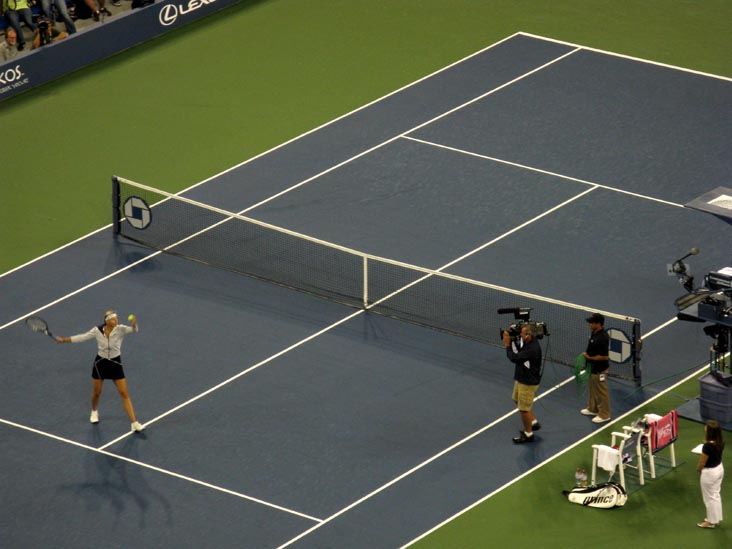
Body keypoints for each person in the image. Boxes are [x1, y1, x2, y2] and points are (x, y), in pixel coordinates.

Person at [56, 310, 145, 432]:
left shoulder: (121, 329)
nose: (116, 321)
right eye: (113, 319)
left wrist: (134, 323)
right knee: (97, 392)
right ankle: (94, 411)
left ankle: (134, 423)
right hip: (100, 364)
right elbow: (82, 337)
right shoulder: (97, 330)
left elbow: (134, 329)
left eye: (117, 318)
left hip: (115, 364)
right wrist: (64, 340)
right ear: (107, 321)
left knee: (124, 393)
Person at [504, 324, 542, 443]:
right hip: (522, 377)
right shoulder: (529, 340)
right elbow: (520, 345)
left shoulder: (532, 349)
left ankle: (528, 434)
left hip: (528, 382)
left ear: (528, 335)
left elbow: (514, 358)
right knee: (516, 399)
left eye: (522, 334)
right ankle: (533, 422)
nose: (520, 335)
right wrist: (514, 329)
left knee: (524, 409)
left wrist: (507, 345)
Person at [580, 312, 611, 423]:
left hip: (599, 369)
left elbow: (604, 357)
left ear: (598, 323)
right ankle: (593, 409)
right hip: (592, 368)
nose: (589, 324)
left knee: (601, 392)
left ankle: (604, 415)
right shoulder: (594, 333)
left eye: (591, 323)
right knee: (593, 389)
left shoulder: (602, 337)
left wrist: (589, 357)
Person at [697, 419, 725, 528]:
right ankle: (716, 518)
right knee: (715, 495)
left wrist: (699, 470)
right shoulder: (720, 441)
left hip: (710, 473)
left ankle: (710, 522)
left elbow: (702, 462)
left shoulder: (707, 446)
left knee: (709, 498)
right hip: (719, 469)